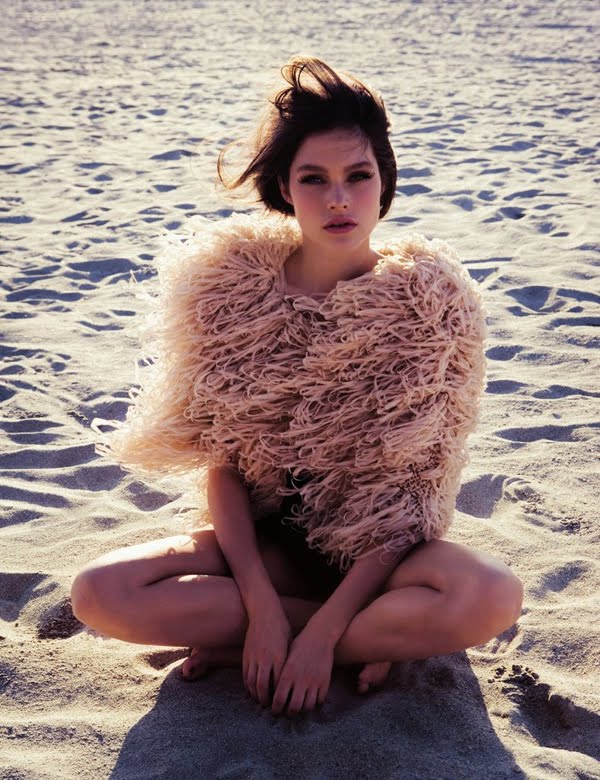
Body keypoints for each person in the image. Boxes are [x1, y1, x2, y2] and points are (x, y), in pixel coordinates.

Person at [71, 57, 523, 717]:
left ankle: (283, 643)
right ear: (285, 186)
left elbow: (411, 501)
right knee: (98, 593)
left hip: (381, 557)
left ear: (384, 182)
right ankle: (361, 637)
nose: (339, 199)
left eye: (358, 176)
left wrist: (323, 635)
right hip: (268, 548)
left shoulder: (432, 304)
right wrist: (260, 604)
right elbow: (224, 466)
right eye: (315, 179)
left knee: (492, 595)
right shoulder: (231, 288)